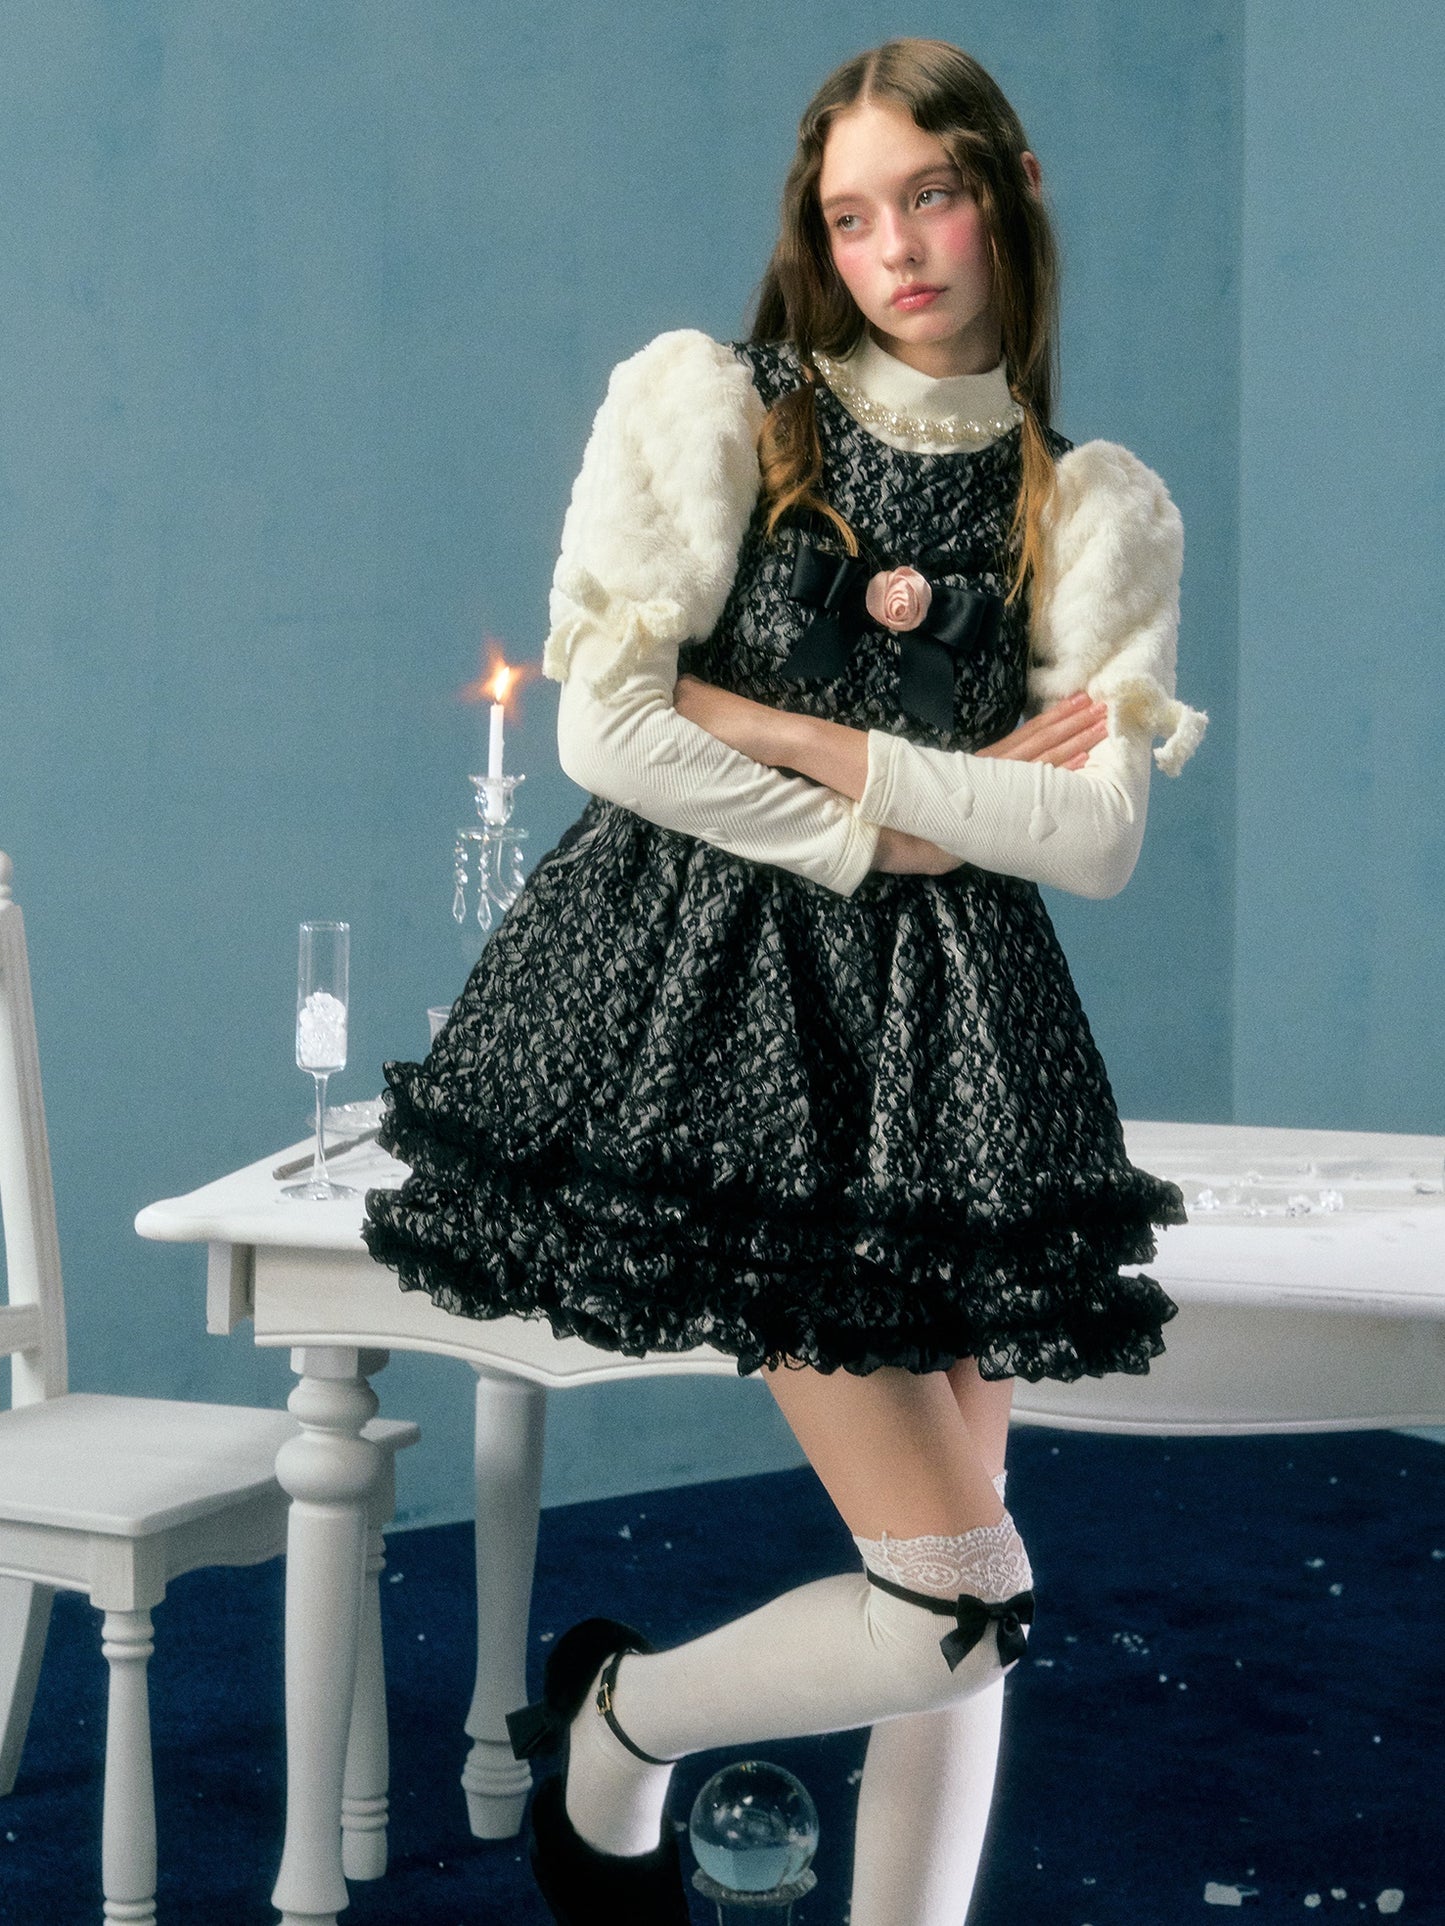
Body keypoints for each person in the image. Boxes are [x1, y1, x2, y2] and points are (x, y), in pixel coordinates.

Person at [363, 35, 1206, 1926]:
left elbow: (1091, 837)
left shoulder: (1092, 507)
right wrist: (898, 827)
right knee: (958, 1597)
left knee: (965, 1593)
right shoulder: (718, 407)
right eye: (850, 214)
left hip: (958, 1052)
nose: (892, 247)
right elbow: (608, 731)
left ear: (1008, 193)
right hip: (722, 1025)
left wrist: (801, 739)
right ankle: (617, 1723)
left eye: (930, 195)